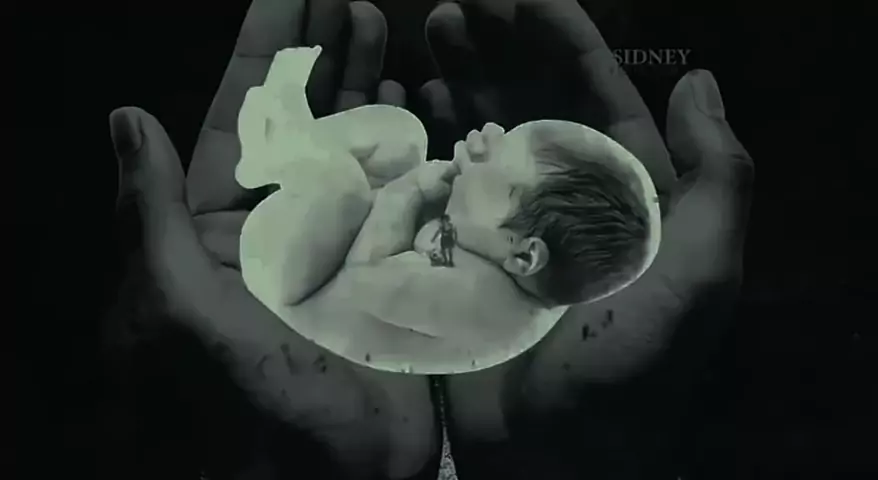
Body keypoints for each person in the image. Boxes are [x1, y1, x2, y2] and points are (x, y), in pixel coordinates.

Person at [109, 0, 753, 479]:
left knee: (346, 187)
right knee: (404, 134)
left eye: (498, 165)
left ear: (525, 252)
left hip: (300, 282)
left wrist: (404, 198)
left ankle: (286, 141)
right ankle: (282, 150)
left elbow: (367, 278)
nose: (483, 139)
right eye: (501, 137)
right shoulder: (501, 273)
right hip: (336, 261)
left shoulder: (481, 307)